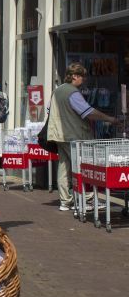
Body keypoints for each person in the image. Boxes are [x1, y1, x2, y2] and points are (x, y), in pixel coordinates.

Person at [48, 62, 119, 211]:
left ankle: (65, 201)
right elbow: (89, 112)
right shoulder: (73, 93)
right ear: (74, 76)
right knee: (82, 166)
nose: (84, 79)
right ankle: (87, 200)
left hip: (59, 134)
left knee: (64, 167)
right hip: (74, 135)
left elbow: (50, 110)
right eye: (82, 76)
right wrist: (110, 119)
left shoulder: (58, 90)